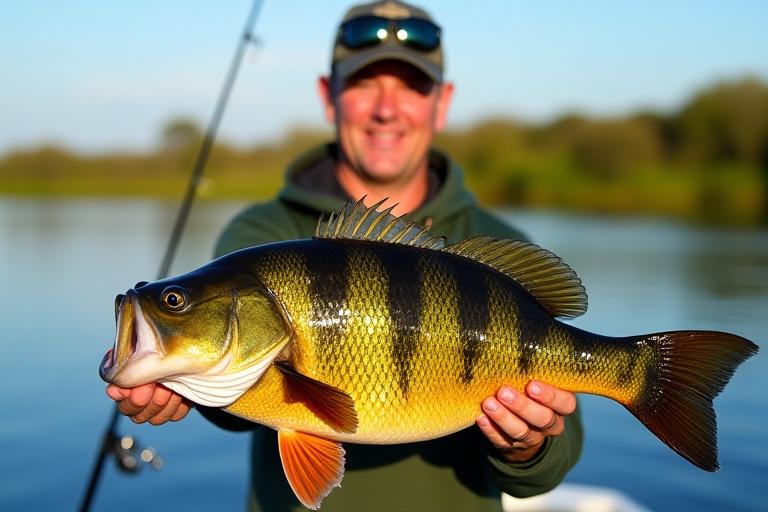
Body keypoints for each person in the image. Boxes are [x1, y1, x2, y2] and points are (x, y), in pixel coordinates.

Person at [106, 1, 583, 510]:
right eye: (362, 84)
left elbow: (554, 462)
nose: (386, 108)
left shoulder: (495, 244)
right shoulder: (262, 233)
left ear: (441, 103)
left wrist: (531, 445)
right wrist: (181, 386)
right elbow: (232, 401)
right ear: (327, 97)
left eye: (411, 86)